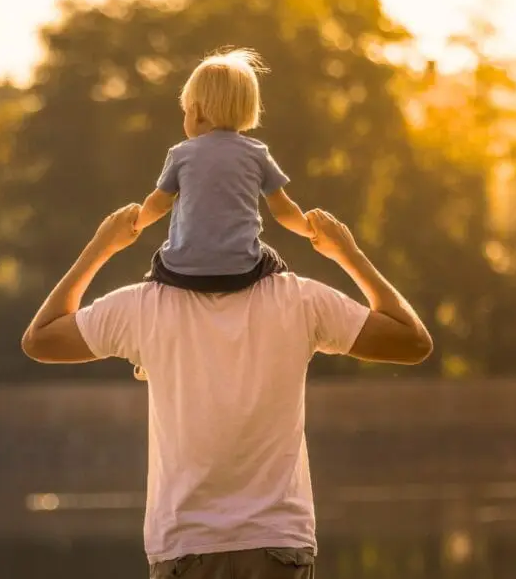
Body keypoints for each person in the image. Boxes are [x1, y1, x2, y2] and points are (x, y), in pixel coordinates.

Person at [21, 204, 433, 579]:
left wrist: (100, 247)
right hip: (278, 546)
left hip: (186, 546)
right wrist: (348, 253)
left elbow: (40, 339)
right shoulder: (300, 299)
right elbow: (412, 341)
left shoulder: (144, 307)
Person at [135, 47, 313, 295]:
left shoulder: (181, 153)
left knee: (158, 262)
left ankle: (154, 299)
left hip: (182, 272)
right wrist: (309, 229)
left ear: (195, 113)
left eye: (186, 111)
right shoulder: (257, 154)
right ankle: (278, 302)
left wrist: (135, 223)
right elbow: (283, 210)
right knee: (274, 261)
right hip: (241, 272)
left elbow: (158, 205)